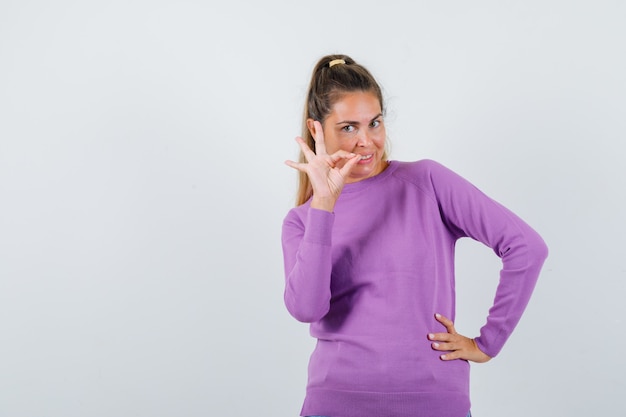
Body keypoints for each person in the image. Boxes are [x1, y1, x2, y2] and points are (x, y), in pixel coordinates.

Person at [281, 54, 548, 417]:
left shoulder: (426, 183)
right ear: (317, 131)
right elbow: (307, 309)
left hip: (434, 402)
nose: (366, 141)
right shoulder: (303, 220)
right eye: (348, 127)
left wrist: (487, 343)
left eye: (374, 123)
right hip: (336, 404)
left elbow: (526, 247)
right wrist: (324, 205)